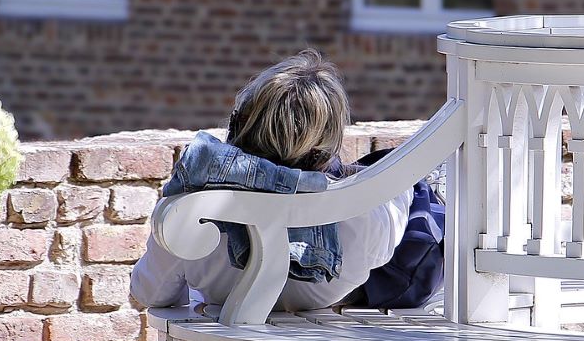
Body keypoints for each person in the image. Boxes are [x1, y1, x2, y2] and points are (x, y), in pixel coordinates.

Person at [130, 49, 413, 312]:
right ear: (329, 143)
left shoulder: (192, 203)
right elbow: (388, 237)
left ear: (239, 124)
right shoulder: (362, 215)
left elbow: (150, 293)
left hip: (227, 331)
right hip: (320, 332)